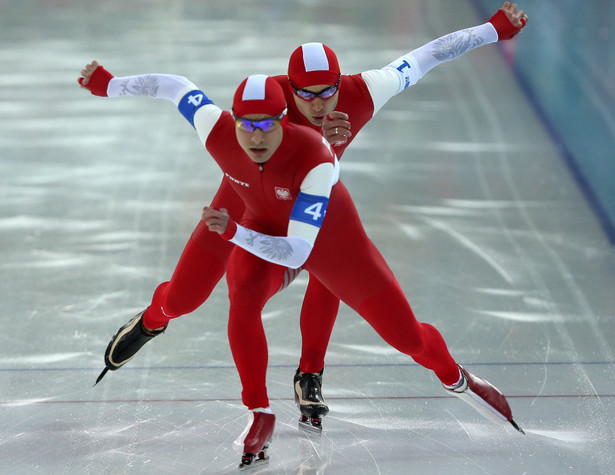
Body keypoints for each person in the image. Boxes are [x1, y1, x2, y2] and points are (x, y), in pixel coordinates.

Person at [80, 1, 528, 434]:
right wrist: (109, 85)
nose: (317, 103)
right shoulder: (255, 116)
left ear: (340, 82)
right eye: (305, 95)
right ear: (286, 93)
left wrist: (492, 30)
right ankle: (155, 317)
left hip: (315, 205)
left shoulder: (363, 90)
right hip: (249, 201)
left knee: (376, 312)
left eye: (327, 91)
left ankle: (319, 372)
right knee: (185, 300)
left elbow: (425, 56)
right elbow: (176, 88)